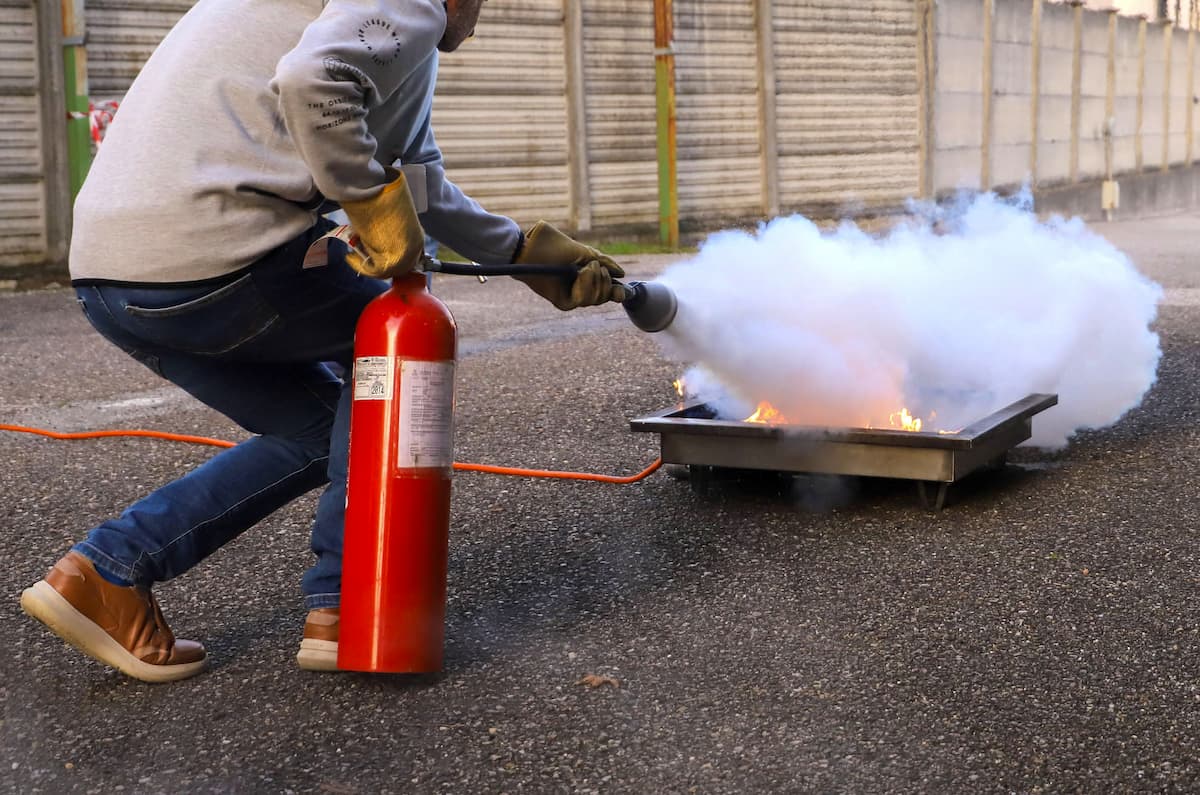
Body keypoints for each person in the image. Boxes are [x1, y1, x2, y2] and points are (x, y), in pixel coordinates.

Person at [19, 0, 625, 683]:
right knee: (394, 352)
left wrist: (530, 256)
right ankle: (348, 603)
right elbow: (313, 80)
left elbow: (417, 180)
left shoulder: (375, 32)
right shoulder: (414, 4)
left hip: (111, 277)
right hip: (214, 257)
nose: (481, 17)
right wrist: (367, 199)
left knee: (318, 426)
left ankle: (107, 570)